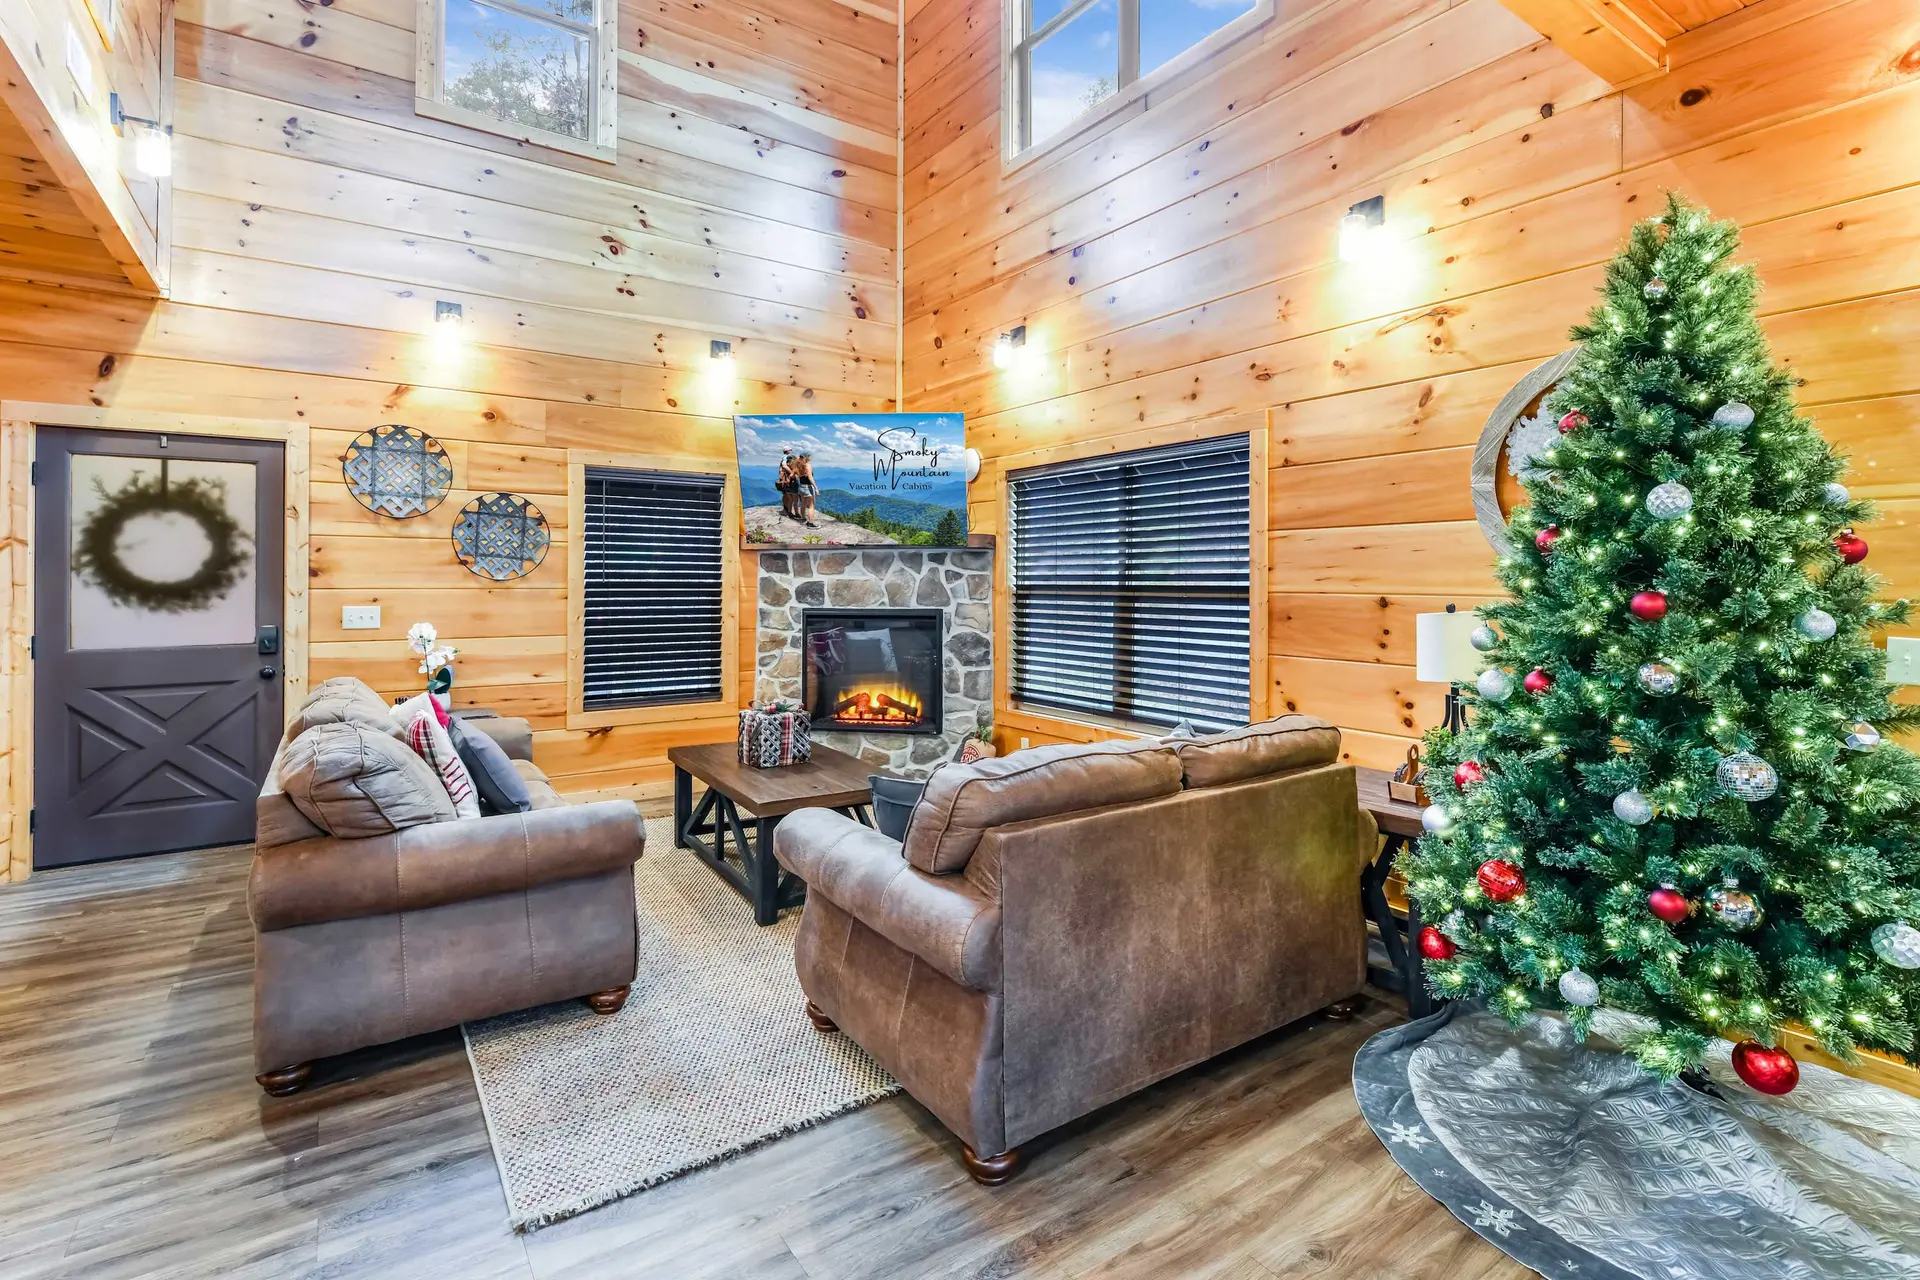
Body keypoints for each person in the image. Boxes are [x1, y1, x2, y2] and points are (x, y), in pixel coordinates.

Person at [793, 453, 819, 528]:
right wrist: (816, 488)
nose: (810, 458)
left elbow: (796, 476)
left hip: (801, 486)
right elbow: (810, 478)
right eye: (809, 456)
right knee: (811, 506)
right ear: (806, 457)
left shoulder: (799, 465)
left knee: (803, 504)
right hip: (808, 487)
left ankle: (803, 518)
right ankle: (810, 524)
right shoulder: (807, 465)